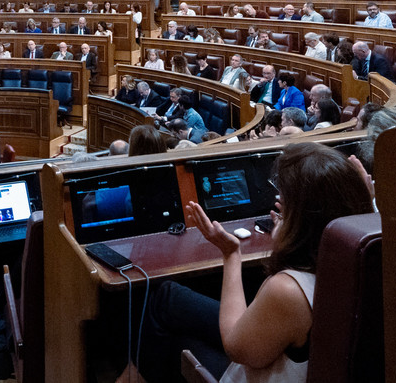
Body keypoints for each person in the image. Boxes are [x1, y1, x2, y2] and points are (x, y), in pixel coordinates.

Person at [137, 143, 374, 382]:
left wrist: (231, 254)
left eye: (286, 204)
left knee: (168, 307)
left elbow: (236, 347)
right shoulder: (367, 259)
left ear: (303, 221)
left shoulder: (288, 290)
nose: (277, 201)